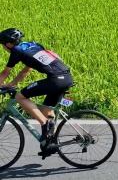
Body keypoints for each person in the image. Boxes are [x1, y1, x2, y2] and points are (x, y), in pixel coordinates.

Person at [0, 28, 73, 158]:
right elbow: (26, 71)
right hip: (66, 78)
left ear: (8, 44)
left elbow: (5, 73)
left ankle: (44, 124)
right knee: (47, 111)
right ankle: (50, 144)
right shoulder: (32, 45)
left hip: (55, 80)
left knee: (20, 97)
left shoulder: (16, 51)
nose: (3, 47)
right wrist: (12, 84)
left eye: (2, 44)